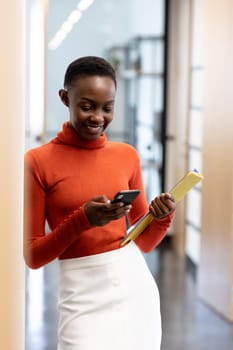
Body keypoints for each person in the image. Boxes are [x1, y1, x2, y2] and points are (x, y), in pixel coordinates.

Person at [24, 56, 176, 350]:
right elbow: (33, 256)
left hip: (134, 287)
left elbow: (144, 242)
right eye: (86, 106)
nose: (98, 117)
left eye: (108, 108)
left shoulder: (127, 155)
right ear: (65, 98)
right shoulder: (37, 162)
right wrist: (83, 220)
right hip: (80, 294)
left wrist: (162, 217)